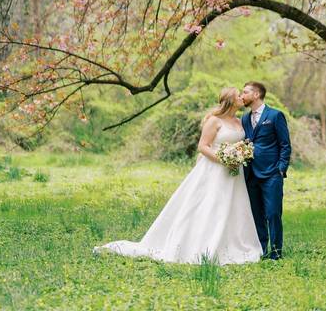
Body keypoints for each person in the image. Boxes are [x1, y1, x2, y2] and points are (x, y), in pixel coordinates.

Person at [94, 87, 262, 264]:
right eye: (238, 95)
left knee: (234, 207)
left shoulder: (239, 121)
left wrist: (239, 154)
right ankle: (202, 245)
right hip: (214, 170)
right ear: (229, 100)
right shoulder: (214, 121)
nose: (242, 98)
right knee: (212, 206)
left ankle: (231, 244)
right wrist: (224, 160)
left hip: (235, 173)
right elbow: (203, 147)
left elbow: (240, 142)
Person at [240, 81, 292, 260]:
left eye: (245, 92)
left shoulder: (275, 115)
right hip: (250, 174)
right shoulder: (245, 118)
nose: (242, 95)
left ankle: (276, 252)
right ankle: (261, 250)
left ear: (256, 95)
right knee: (257, 214)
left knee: (273, 213)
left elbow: (285, 145)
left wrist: (281, 169)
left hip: (271, 174)